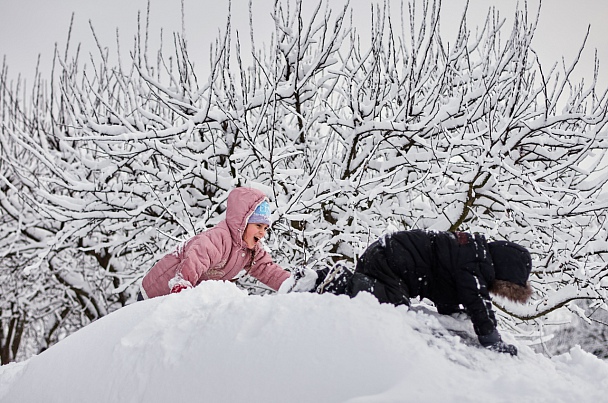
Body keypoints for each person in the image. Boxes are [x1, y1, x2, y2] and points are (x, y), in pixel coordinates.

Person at [316, 230, 533, 356]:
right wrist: (491, 339)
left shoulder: (467, 253)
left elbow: (445, 289)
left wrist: (454, 313)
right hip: (393, 261)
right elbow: (477, 300)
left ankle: (325, 279)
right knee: (390, 307)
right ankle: (342, 282)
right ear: (504, 272)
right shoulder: (476, 263)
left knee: (383, 301)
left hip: (389, 253)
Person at [139, 187, 317, 299]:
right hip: (157, 291)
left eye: (265, 228)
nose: (262, 233)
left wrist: (292, 284)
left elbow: (267, 270)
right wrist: (182, 284)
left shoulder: (251, 250)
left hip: (178, 298)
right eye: (258, 226)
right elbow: (196, 258)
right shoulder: (219, 238)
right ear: (243, 221)